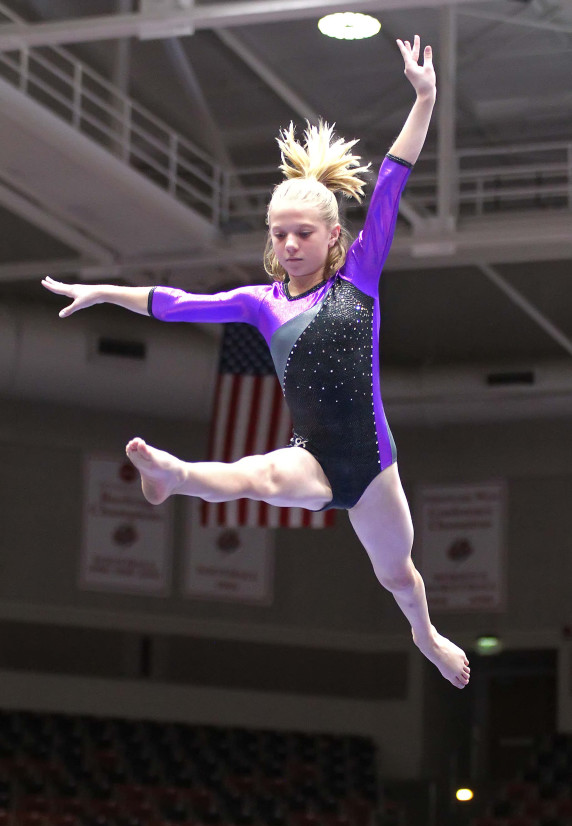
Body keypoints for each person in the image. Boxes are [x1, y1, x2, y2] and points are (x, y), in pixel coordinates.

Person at [41, 35, 469, 690]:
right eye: (279, 234)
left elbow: (391, 179)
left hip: (374, 461)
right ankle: (173, 474)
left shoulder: (360, 279)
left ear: (333, 236)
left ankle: (426, 636)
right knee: (261, 476)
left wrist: (426, 97)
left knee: (400, 576)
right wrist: (105, 290)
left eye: (304, 233)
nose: (291, 244)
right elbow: (177, 302)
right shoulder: (258, 302)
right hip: (315, 455)